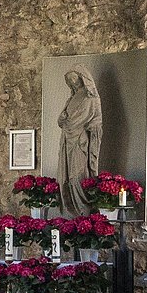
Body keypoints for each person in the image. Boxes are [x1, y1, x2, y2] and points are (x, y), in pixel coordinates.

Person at [57, 68, 103, 216]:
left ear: (82, 78)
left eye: (74, 78)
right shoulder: (71, 98)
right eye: (69, 80)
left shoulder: (90, 98)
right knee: (68, 175)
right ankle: (74, 212)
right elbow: (62, 120)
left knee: (78, 174)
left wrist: (68, 122)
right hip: (67, 140)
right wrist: (62, 119)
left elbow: (91, 119)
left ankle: (84, 210)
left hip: (80, 141)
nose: (72, 82)